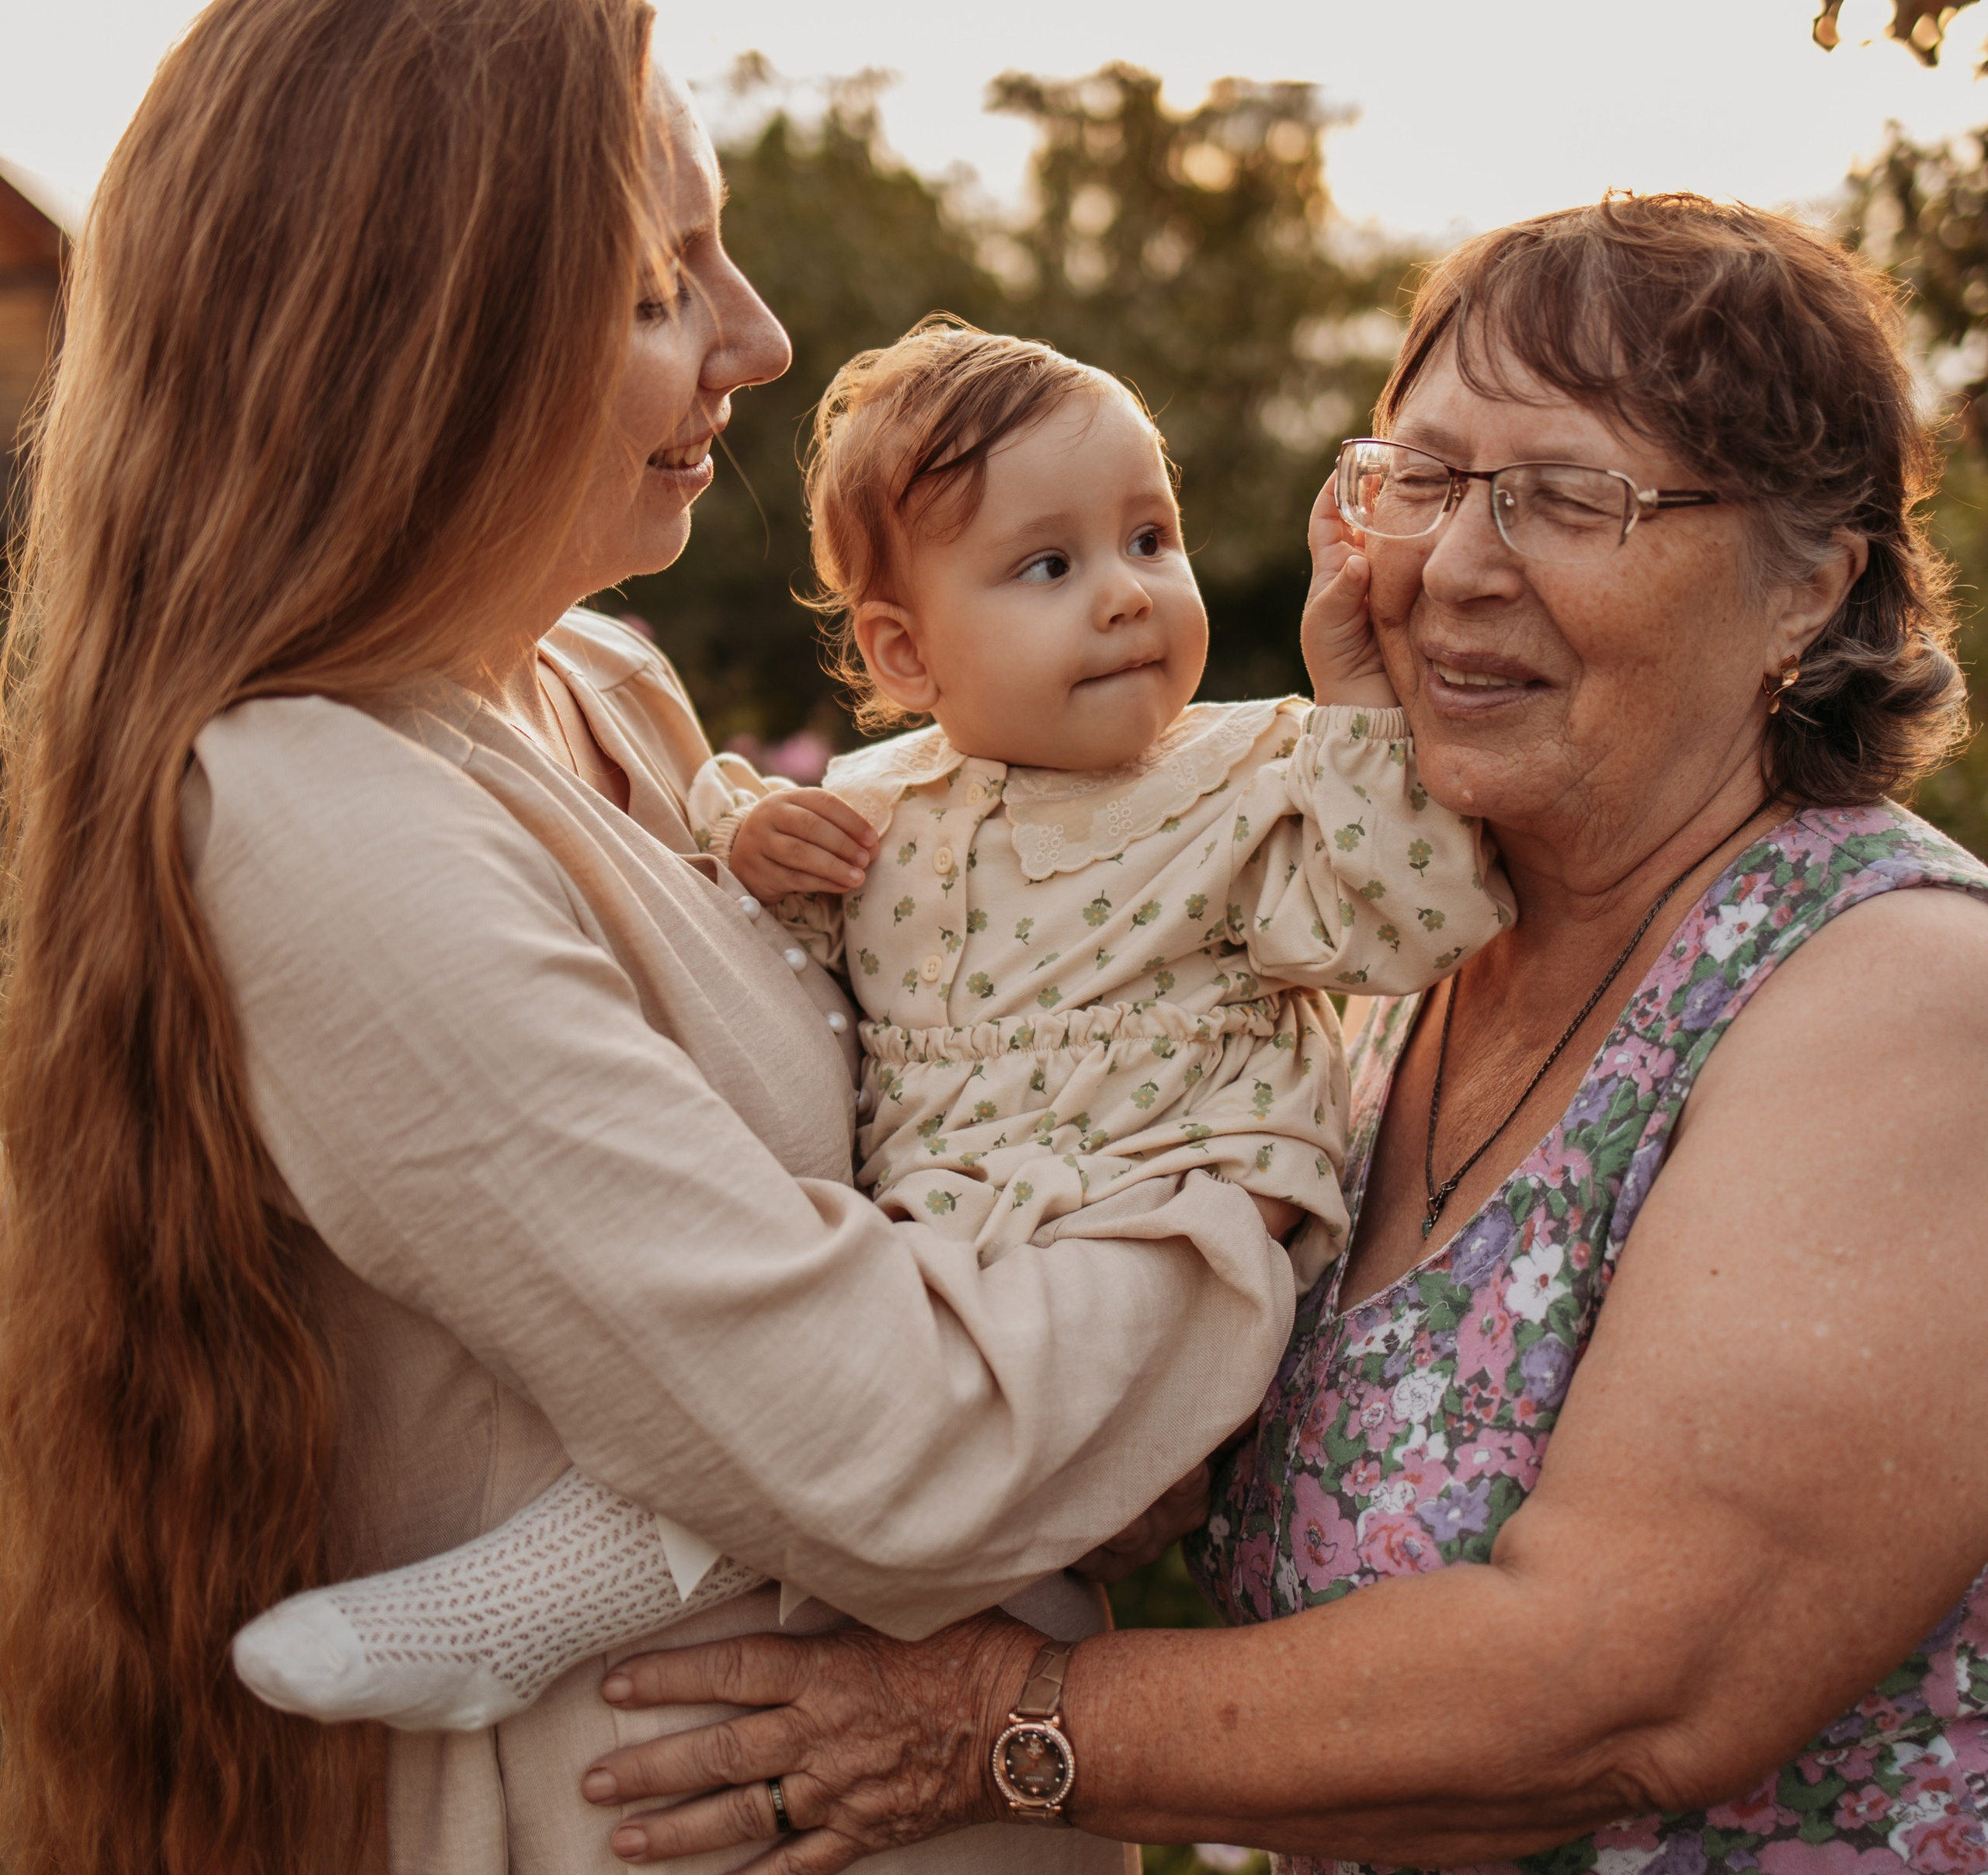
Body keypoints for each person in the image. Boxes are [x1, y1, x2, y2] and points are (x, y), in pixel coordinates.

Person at [0, 0, 1301, 1875]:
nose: (761, 343)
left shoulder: (587, 688)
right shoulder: (307, 818)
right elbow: (877, 1446)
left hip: (899, 1864)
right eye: (661, 279)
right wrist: (1250, 1193)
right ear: (423, 337)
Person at [579, 196, 1988, 1875]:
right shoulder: (1398, 983)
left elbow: (1626, 1682)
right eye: (1420, 478)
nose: (1452, 562)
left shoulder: (1899, 997)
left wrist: (982, 1736)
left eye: (1568, 494)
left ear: (1810, 577)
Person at [231, 312, 1507, 1735]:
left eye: (1152, 538)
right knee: (818, 1422)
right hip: (946, 1237)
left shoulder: (1249, 775)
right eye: (1048, 565)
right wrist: (760, 844)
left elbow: (1415, 923)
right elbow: (749, 971)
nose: (1126, 596)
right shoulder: (880, 806)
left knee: (883, 1434)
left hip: (1155, 1214)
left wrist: (1359, 707)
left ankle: (518, 1612)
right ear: (904, 650)